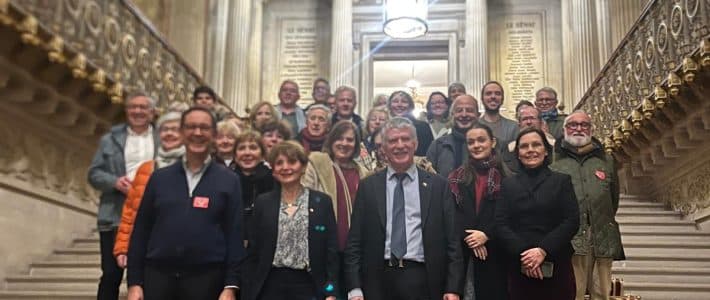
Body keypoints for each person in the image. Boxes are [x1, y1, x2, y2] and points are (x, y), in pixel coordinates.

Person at [126, 107, 244, 300]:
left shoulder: (229, 180)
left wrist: (231, 285)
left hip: (207, 279)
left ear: (214, 135)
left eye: (204, 128)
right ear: (182, 133)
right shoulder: (159, 178)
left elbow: (234, 234)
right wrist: (134, 283)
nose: (197, 133)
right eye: (191, 127)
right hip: (158, 277)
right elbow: (141, 231)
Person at [344, 117, 463, 300]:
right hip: (378, 280)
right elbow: (355, 241)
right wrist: (354, 287)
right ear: (383, 148)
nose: (400, 145)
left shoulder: (438, 186)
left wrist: (453, 287)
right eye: (392, 140)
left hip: (423, 278)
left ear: (415, 144)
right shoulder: (368, 186)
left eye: (405, 139)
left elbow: (453, 241)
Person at [243, 141, 338, 300]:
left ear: (303, 167)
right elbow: (253, 251)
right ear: (273, 170)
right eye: (279, 163)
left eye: (292, 162)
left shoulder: (322, 202)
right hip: (269, 284)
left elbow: (331, 251)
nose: (285, 167)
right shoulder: (263, 203)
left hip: (309, 284)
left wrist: (332, 291)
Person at [88, 91, 158, 300]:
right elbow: (94, 173)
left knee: (147, 275)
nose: (137, 111)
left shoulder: (162, 139)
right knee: (111, 274)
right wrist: (115, 182)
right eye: (132, 107)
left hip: (151, 215)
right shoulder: (109, 140)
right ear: (126, 111)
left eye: (142, 107)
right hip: (114, 215)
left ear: (152, 113)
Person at [495, 128, 579, 300]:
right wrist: (527, 255)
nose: (530, 149)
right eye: (524, 146)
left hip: (556, 263)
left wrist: (542, 250)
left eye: (536, 145)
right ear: (518, 153)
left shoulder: (562, 181)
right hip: (519, 265)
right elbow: (500, 224)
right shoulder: (508, 185)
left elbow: (571, 220)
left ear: (546, 150)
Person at [550, 111, 625, 300]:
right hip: (570, 239)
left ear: (591, 130)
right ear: (565, 129)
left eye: (584, 125)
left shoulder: (606, 160)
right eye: (573, 125)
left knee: (602, 293)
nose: (578, 129)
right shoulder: (553, 160)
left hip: (602, 236)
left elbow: (612, 199)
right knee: (572, 291)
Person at [113, 112, 185, 268]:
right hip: (149, 247)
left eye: (175, 129)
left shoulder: (195, 167)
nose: (169, 134)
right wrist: (122, 248)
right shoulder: (146, 168)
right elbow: (130, 211)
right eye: (165, 129)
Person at [448, 123, 509, 300]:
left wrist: (486, 234)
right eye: (471, 142)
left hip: (496, 252)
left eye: (481, 140)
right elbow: (450, 214)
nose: (476, 145)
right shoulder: (455, 177)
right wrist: (473, 238)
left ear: (493, 142)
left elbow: (509, 215)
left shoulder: (508, 177)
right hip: (463, 251)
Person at [234, 130, 275, 241]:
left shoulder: (273, 179)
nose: (247, 153)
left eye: (253, 148)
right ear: (235, 154)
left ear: (262, 153)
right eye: (242, 148)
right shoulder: (226, 180)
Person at [427, 95, 480, 177]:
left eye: (469, 110)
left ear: (478, 115)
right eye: (459, 110)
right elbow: (429, 180)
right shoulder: (437, 146)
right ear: (452, 115)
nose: (464, 114)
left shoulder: (492, 145)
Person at [501, 106, 556, 175]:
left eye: (532, 118)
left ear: (541, 122)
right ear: (519, 124)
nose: (529, 122)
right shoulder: (508, 149)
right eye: (525, 119)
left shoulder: (554, 146)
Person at [386, 91, 434, 156]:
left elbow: (429, 153)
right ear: (389, 105)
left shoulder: (423, 127)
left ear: (410, 105)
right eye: (395, 101)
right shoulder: (384, 127)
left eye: (404, 102)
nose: (399, 105)